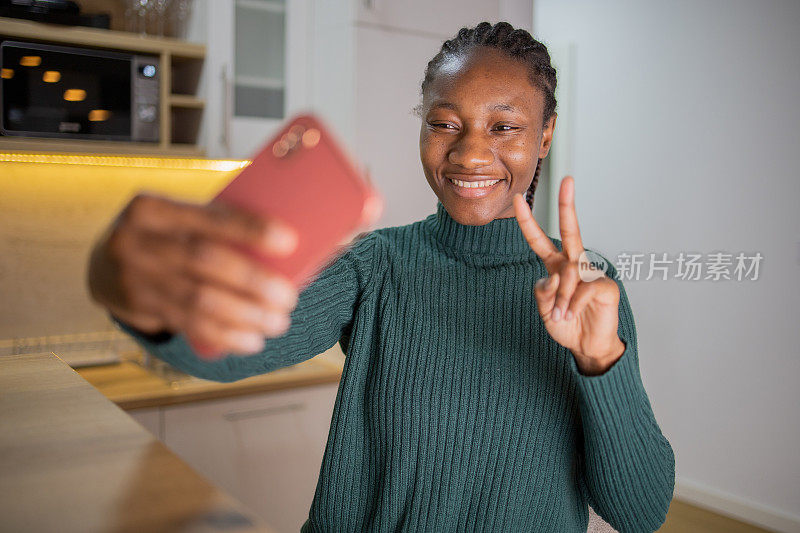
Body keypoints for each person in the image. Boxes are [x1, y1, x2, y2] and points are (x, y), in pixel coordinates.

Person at [88, 22, 675, 532]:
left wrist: (603, 362)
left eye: (503, 128)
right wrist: (134, 290)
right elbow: (222, 351)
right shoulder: (375, 266)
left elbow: (639, 510)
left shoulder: (589, 290)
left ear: (544, 134)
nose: (470, 154)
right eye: (445, 124)